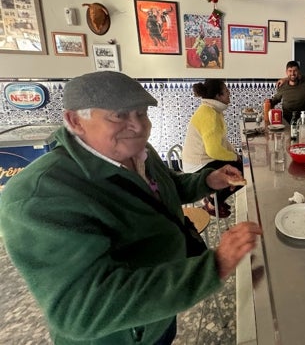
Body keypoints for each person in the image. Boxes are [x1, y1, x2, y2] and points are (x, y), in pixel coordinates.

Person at [0, 71, 262, 345]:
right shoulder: (40, 195)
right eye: (119, 115)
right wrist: (214, 266)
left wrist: (208, 180)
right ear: (75, 120)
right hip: (123, 336)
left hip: (158, 313)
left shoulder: (138, 152)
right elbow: (83, 308)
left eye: (141, 113)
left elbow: (165, 188)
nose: (138, 127)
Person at [182, 78, 242, 218]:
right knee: (241, 173)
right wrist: (234, 157)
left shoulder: (213, 110)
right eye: (226, 91)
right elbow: (214, 151)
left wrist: (235, 154)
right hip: (197, 166)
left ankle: (215, 197)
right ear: (217, 96)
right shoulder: (209, 115)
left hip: (203, 160)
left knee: (240, 165)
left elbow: (222, 140)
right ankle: (212, 204)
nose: (229, 93)